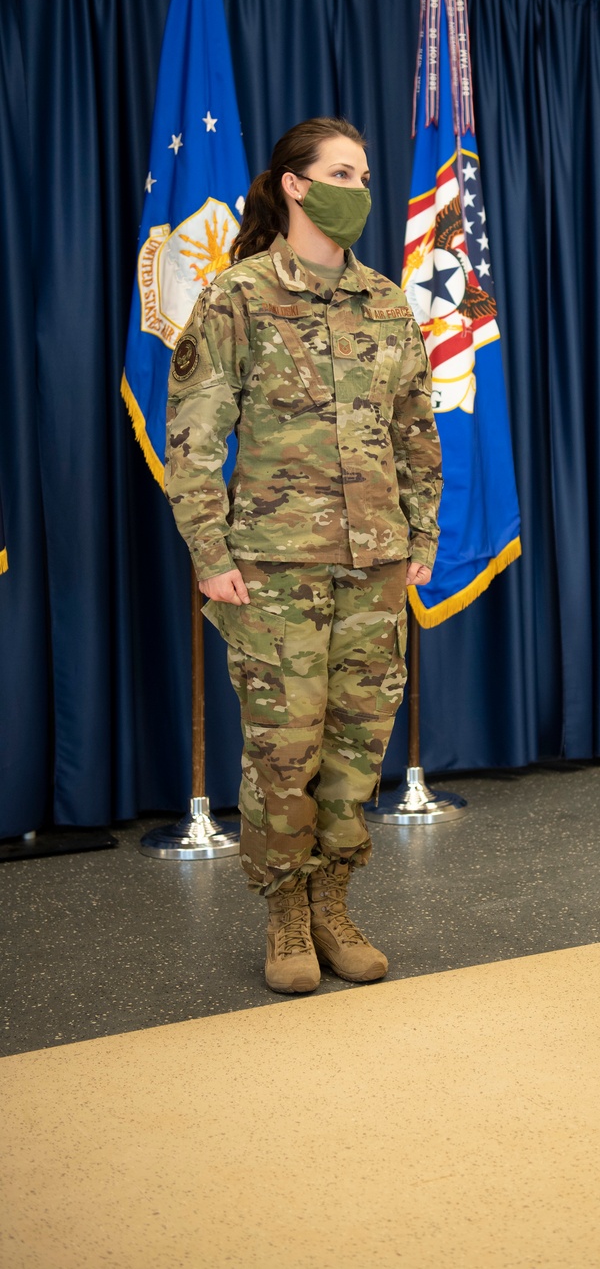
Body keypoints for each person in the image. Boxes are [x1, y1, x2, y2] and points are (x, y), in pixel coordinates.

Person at [164, 117, 442, 995]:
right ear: (293, 183)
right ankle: (285, 910)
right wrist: (211, 553)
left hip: (376, 566)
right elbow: (194, 439)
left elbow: (415, 432)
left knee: (359, 747)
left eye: (364, 176)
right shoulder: (237, 298)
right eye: (341, 173)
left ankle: (334, 901)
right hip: (274, 570)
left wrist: (422, 535)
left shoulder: (387, 302)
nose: (357, 190)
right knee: (286, 752)